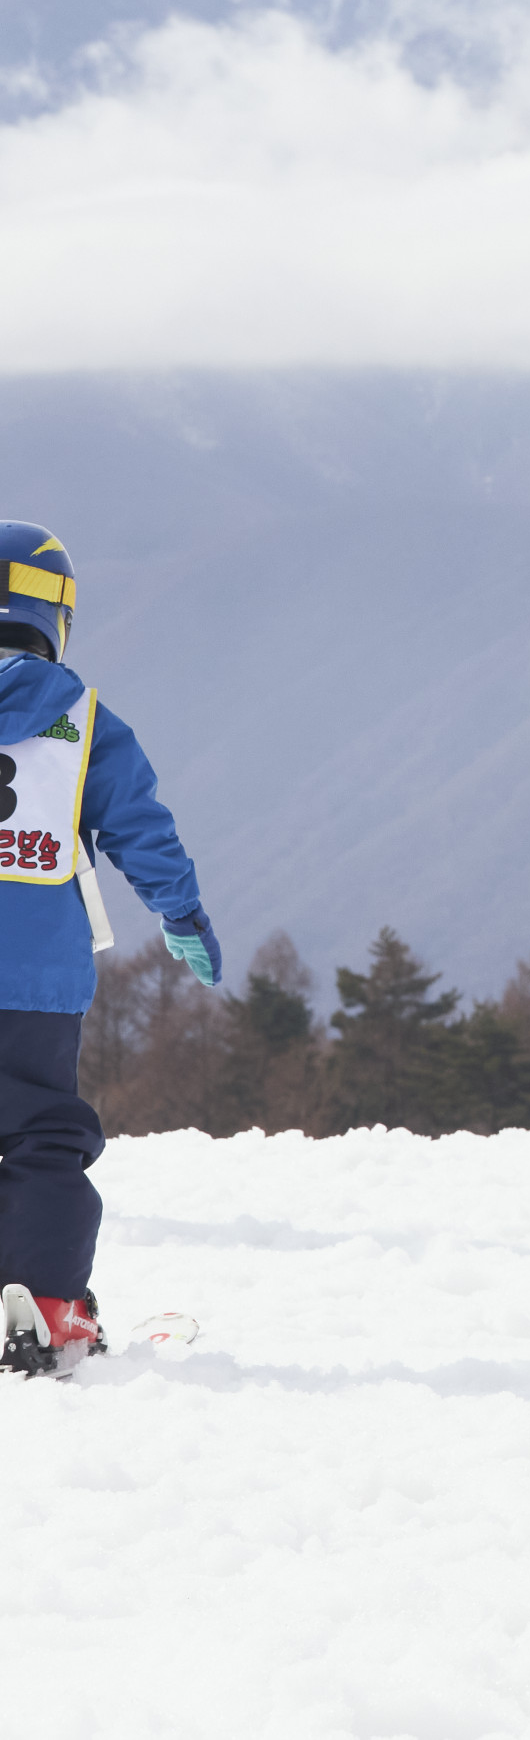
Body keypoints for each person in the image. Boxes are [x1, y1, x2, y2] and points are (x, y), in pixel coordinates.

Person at [0, 524, 219, 1380]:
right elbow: (142, 830)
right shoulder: (83, 718)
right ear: (55, 615)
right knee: (41, 1136)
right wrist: (183, 914)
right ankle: (46, 1304)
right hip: (37, 984)